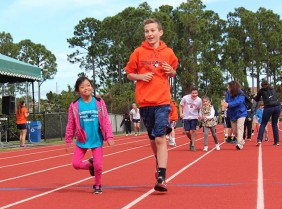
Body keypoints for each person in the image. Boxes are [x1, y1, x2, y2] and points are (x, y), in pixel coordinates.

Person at [125, 18, 178, 192]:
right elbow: (129, 74)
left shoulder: (168, 52)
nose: (149, 34)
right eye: (147, 31)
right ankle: (159, 161)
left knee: (161, 137)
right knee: (152, 138)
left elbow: (173, 71)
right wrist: (140, 77)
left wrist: (171, 71)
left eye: (153, 30)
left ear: (160, 32)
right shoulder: (138, 52)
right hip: (145, 102)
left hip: (163, 101)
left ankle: (162, 176)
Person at [65, 76, 114, 194]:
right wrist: (68, 140)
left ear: (92, 87)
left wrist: (109, 136)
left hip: (97, 139)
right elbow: (70, 123)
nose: (86, 88)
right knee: (75, 164)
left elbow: (106, 120)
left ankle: (97, 185)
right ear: (78, 90)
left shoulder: (99, 102)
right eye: (82, 87)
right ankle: (89, 165)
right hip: (82, 140)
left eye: (88, 85)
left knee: (99, 165)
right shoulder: (74, 105)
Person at [254, 80, 281, 146]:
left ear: (262, 85)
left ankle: (259, 139)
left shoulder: (261, 90)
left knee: (263, 123)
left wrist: (253, 97)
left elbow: (257, 99)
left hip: (269, 107)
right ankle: (276, 141)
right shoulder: (273, 89)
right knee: (274, 124)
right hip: (277, 106)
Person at [222, 80, 247, 150]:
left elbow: (238, 102)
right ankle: (241, 140)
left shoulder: (241, 93)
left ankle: (239, 144)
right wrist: (224, 104)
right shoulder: (228, 93)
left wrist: (229, 104)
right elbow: (226, 101)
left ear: (233, 87)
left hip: (241, 113)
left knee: (240, 128)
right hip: (232, 114)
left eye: (229, 87)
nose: (228, 88)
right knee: (235, 131)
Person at [180, 86, 202, 151]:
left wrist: (200, 114)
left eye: (196, 93)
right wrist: (181, 113)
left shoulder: (199, 100)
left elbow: (200, 108)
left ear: (197, 93)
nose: (194, 95)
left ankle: (193, 145)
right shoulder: (185, 98)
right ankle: (192, 140)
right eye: (193, 93)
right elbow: (181, 105)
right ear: (190, 93)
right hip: (186, 116)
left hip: (194, 116)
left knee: (193, 131)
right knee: (187, 132)